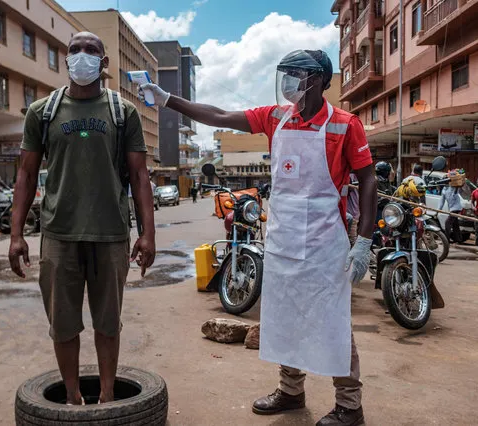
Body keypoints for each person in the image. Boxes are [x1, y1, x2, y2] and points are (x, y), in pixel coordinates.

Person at [139, 49, 377, 426]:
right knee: (284, 318)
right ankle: (291, 391)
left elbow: (368, 180)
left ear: (314, 79)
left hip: (323, 244)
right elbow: (218, 116)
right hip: (282, 241)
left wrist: (364, 241)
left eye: (293, 73)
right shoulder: (276, 117)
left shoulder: (345, 124)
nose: (286, 81)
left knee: (332, 323)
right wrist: (169, 101)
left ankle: (350, 405)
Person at [8, 31, 155, 406]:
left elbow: (140, 177)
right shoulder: (43, 112)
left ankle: (107, 396)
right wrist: (16, 235)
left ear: (104, 63)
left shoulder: (123, 113)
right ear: (65, 58)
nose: (83, 56)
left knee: (108, 324)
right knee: (63, 324)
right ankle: (73, 397)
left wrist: (146, 234)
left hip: (110, 235)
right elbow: (25, 175)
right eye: (75, 50)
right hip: (59, 234)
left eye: (92, 50)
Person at [347, 173, 360, 246]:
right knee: (353, 241)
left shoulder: (361, 176)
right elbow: (345, 192)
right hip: (351, 213)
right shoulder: (349, 176)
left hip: (357, 213)